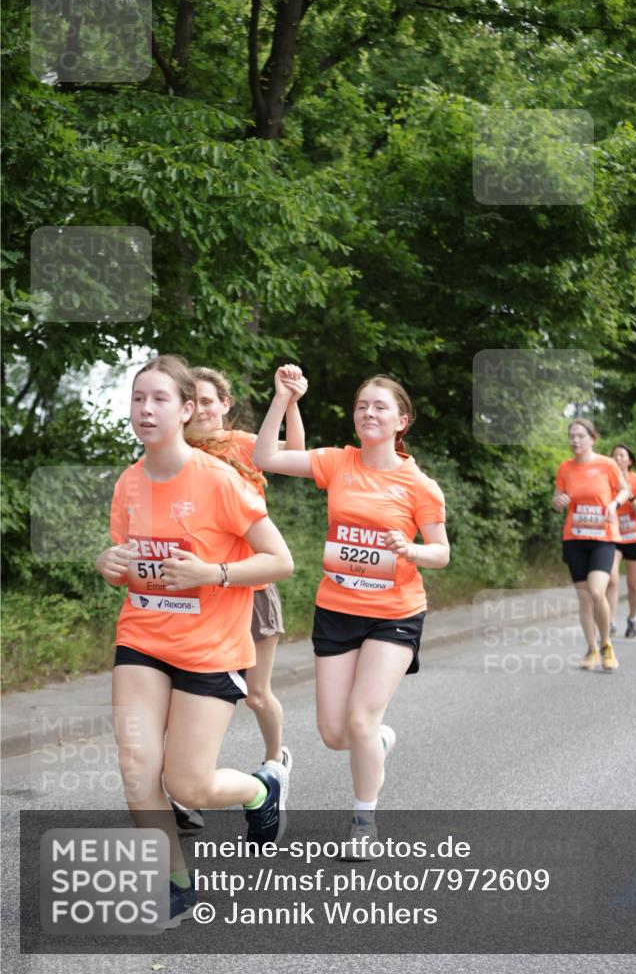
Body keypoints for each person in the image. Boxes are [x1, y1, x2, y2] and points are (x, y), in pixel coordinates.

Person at [95, 355, 294, 925]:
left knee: (189, 783)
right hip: (143, 638)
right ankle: (174, 885)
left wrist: (213, 574)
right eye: (138, 399)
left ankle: (258, 791)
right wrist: (110, 564)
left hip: (210, 648)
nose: (146, 409)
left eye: (159, 399)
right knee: (137, 767)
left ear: (186, 410)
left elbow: (280, 560)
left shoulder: (220, 481)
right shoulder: (129, 483)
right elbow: (128, 568)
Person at [253, 366, 449, 848]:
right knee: (335, 734)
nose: (369, 413)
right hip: (337, 609)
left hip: (395, 612)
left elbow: (441, 553)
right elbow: (266, 457)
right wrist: (284, 400)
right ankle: (376, 743)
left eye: (380, 406)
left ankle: (364, 824)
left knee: (360, 717)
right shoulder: (339, 462)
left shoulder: (420, 485)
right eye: (362, 406)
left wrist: (412, 551)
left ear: (402, 420)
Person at [167, 365, 307, 833]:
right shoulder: (175, 451)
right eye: (195, 402)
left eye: (211, 401)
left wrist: (286, 402)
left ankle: (274, 766)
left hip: (247, 582)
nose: (203, 410)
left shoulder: (245, 444)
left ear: (224, 404)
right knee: (180, 693)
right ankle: (181, 789)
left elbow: (295, 453)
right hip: (194, 589)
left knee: (256, 693)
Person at [552, 419, 628, 672]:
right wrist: (558, 501)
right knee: (585, 598)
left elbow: (624, 491)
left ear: (592, 438)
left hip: (603, 538)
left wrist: (613, 504)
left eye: (580, 436)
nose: (575, 441)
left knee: (597, 592)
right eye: (571, 436)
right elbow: (556, 498)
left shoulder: (607, 464)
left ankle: (606, 644)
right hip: (575, 538)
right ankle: (591, 649)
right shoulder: (565, 467)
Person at [606, 444, 636, 639]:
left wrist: (629, 496)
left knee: (633, 584)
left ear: (629, 460)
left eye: (622, 456)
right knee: (612, 577)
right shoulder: (607, 481)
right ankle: (610, 621)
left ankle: (632, 619)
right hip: (614, 537)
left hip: (634, 538)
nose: (618, 459)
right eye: (615, 456)